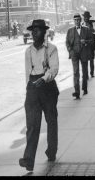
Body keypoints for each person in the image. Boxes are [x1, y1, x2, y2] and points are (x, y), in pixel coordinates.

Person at [19, 19, 59, 172]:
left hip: (48, 87)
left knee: (51, 120)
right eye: (33, 30)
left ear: (44, 32)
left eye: (38, 30)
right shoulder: (28, 51)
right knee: (32, 125)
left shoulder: (51, 49)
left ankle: (52, 151)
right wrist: (29, 89)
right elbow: (27, 73)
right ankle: (29, 160)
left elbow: (54, 69)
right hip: (33, 89)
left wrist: (43, 79)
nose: (35, 33)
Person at [66, 13, 94, 99]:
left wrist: (85, 41)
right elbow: (67, 42)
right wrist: (70, 51)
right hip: (74, 53)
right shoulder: (70, 30)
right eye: (75, 20)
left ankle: (84, 88)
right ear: (74, 21)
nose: (77, 21)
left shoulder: (86, 29)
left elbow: (92, 40)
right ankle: (77, 91)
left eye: (78, 20)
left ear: (80, 20)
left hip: (84, 52)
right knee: (75, 72)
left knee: (85, 72)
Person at [81, 11, 95, 78]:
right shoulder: (82, 24)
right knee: (84, 59)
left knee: (91, 59)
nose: (85, 18)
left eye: (86, 17)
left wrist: (89, 28)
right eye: (84, 17)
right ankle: (85, 74)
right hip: (84, 45)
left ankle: (92, 73)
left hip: (91, 43)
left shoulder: (93, 23)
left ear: (89, 17)